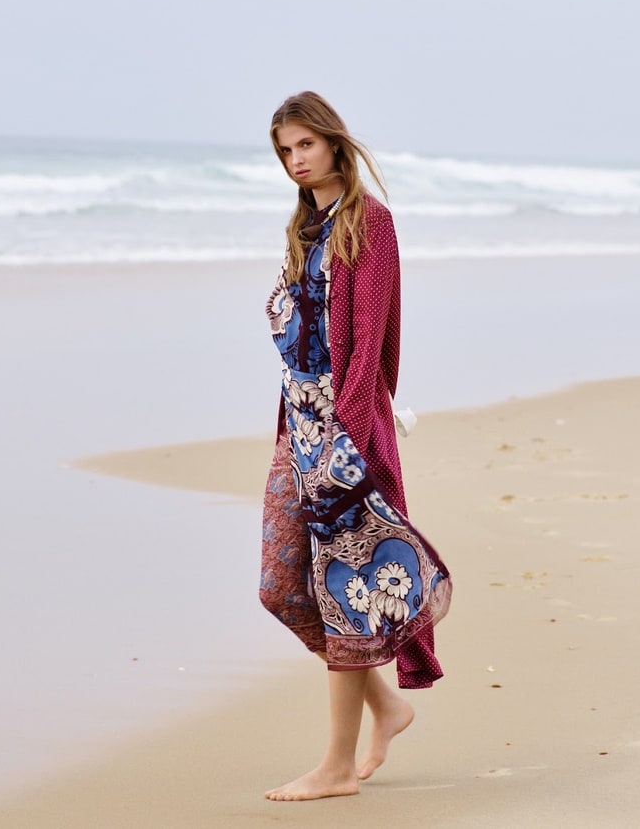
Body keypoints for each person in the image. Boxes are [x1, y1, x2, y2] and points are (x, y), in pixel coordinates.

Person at [260, 91, 452, 801]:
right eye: (285, 150)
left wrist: (347, 440)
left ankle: (337, 766)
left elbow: (367, 343)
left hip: (342, 436)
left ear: (335, 142)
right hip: (297, 429)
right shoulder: (304, 228)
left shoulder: (370, 222)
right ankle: (385, 707)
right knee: (281, 588)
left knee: (344, 593)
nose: (296, 159)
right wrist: (298, 433)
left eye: (305, 144)